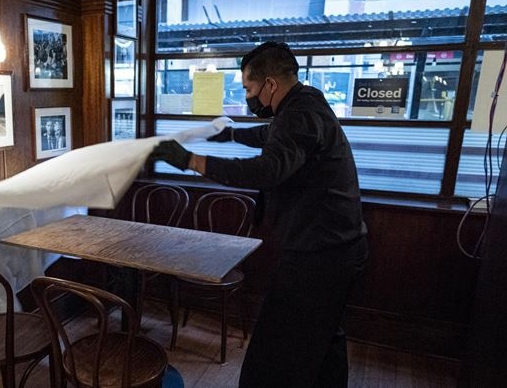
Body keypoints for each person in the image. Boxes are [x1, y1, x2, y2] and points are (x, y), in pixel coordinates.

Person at [149, 41, 369, 387]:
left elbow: (268, 170)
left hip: (321, 253)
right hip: (336, 245)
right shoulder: (304, 102)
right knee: (324, 336)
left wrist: (191, 161)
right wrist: (231, 135)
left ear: (270, 84)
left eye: (250, 88)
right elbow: (273, 135)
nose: (249, 97)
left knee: (275, 346)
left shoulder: (299, 112)